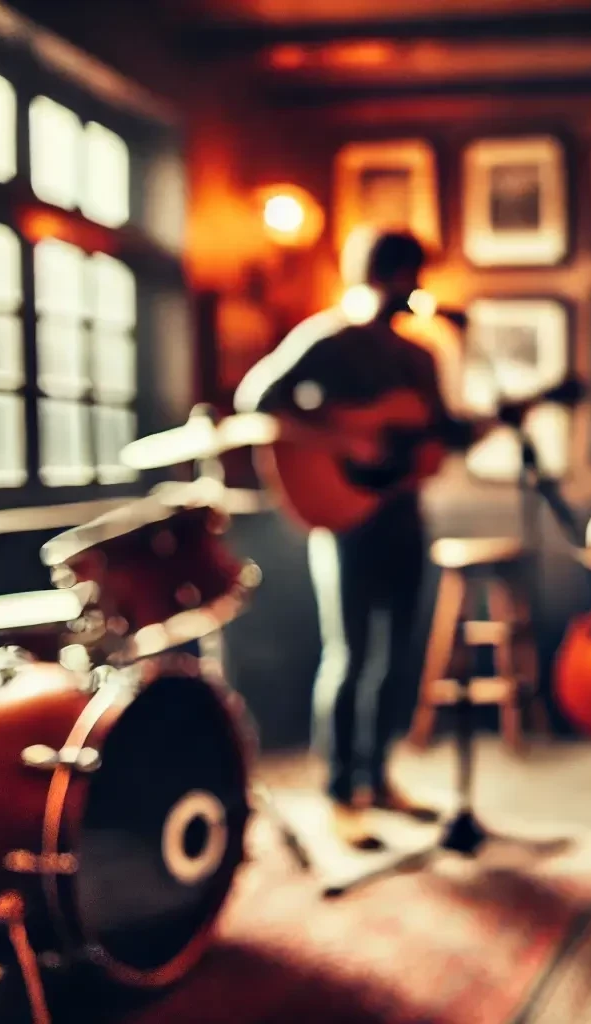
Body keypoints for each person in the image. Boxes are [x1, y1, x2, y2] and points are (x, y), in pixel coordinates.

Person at [234, 230, 474, 849]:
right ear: (376, 275)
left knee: (397, 657)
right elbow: (254, 399)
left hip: (403, 516)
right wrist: (345, 442)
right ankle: (341, 792)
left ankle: (377, 775)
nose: (409, 287)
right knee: (350, 654)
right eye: (401, 275)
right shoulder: (327, 338)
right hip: (343, 517)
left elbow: (437, 434)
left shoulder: (419, 357)